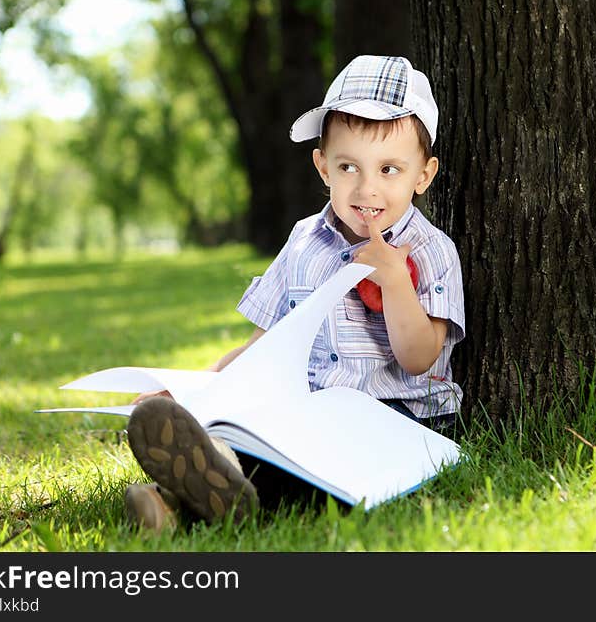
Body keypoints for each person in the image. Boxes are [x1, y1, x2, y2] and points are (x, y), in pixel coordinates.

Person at [123, 54, 466, 532]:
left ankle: (207, 498)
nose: (367, 188)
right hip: (308, 414)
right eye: (349, 167)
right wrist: (192, 386)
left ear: (423, 176)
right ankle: (182, 495)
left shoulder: (431, 251)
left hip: (395, 420)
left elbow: (421, 358)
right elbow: (265, 344)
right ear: (323, 167)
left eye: (389, 170)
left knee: (313, 468)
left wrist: (395, 282)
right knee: (257, 436)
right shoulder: (305, 240)